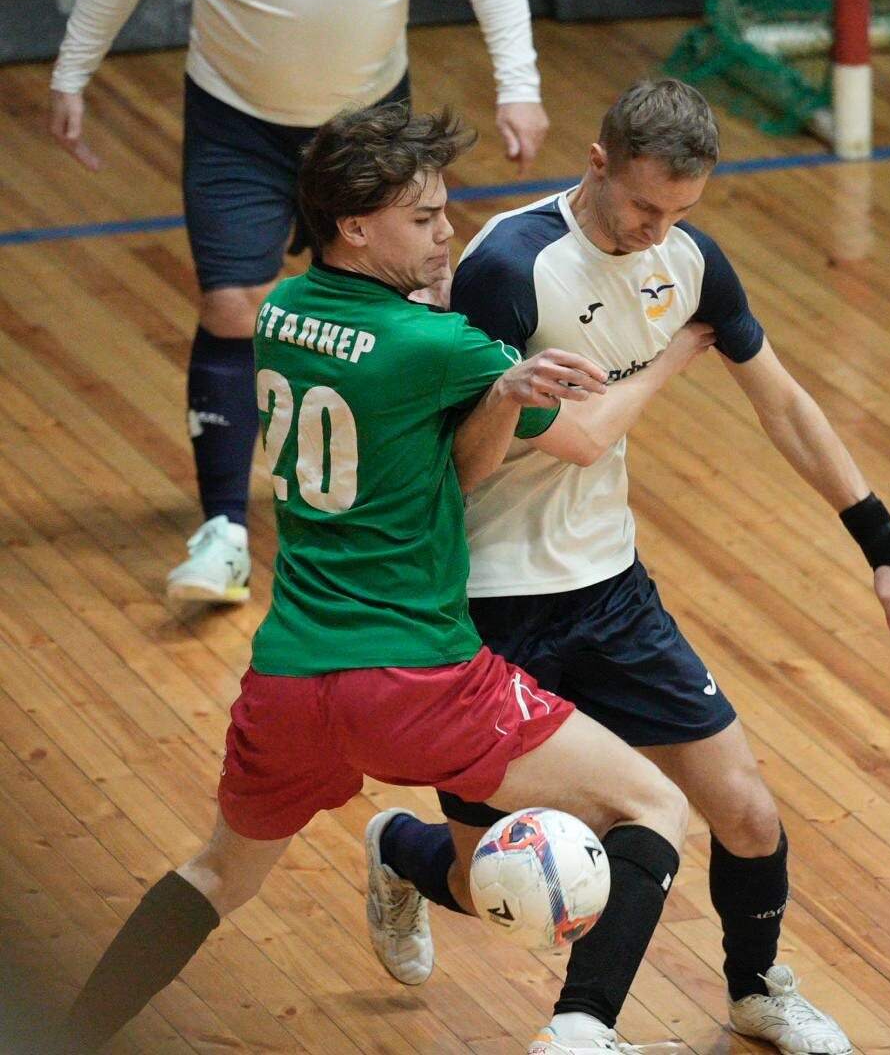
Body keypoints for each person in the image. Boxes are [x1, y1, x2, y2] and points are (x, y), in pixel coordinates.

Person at [48, 101, 692, 1055]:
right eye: (424, 219)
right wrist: (676, 349)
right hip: (418, 677)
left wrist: (488, 389)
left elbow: (431, 453)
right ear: (354, 225)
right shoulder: (441, 348)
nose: (448, 235)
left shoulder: (279, 313)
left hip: (289, 680)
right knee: (654, 805)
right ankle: (579, 1031)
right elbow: (548, 448)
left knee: (218, 875)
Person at [365, 79, 890, 1055]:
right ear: (597, 162)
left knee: (745, 812)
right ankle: (398, 851)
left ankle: (745, 993)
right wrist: (669, 361)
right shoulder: (510, 266)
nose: (655, 231)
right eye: (642, 206)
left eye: (680, 211)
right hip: (491, 602)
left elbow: (784, 404)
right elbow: (549, 443)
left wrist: (882, 539)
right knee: (488, 875)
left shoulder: (687, 261)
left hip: (610, 592)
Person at [48, 0, 550, 604]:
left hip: (368, 119)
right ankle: (224, 530)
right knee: (232, 304)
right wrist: (71, 71)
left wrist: (520, 84)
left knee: (394, 308)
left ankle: (397, 512)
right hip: (234, 120)